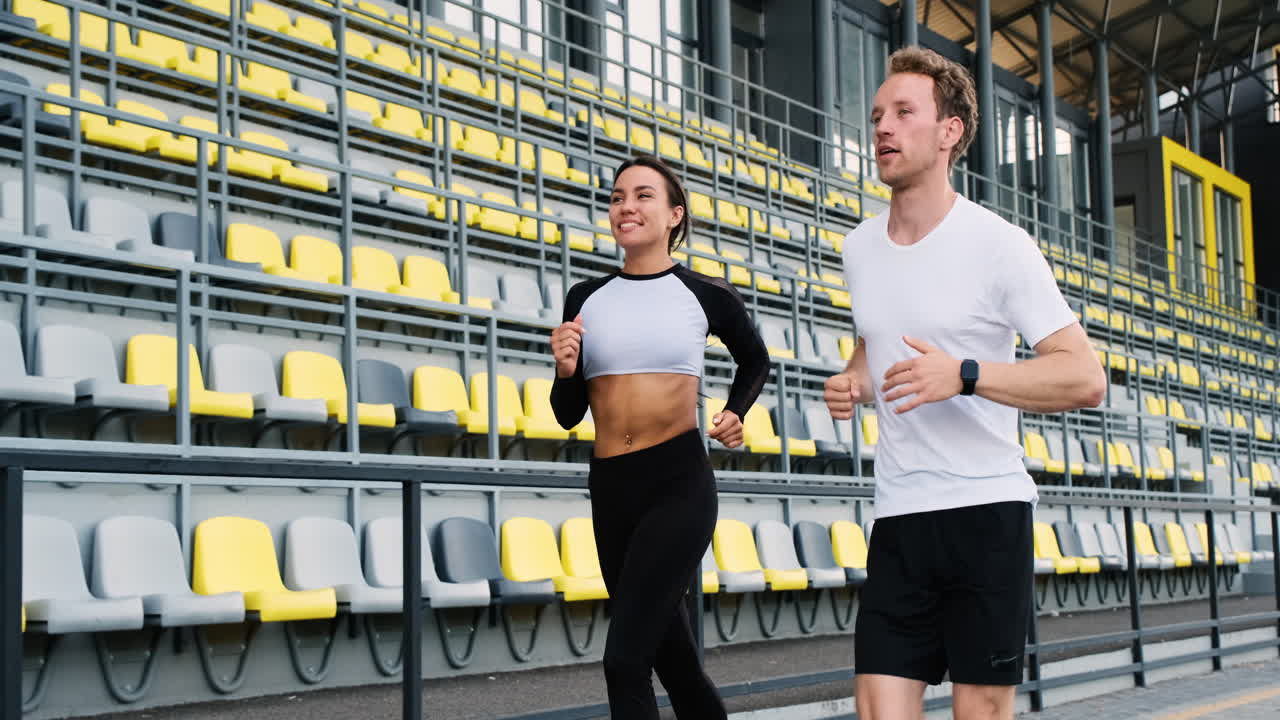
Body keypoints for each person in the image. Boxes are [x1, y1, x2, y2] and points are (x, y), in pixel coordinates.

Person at [824, 47, 1107, 720]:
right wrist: (855, 380)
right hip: (898, 516)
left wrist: (966, 375)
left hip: (987, 515)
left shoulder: (998, 245)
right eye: (875, 116)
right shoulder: (858, 249)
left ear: (949, 132)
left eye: (902, 112)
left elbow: (1085, 377)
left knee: (980, 713)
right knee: (876, 709)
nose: (882, 129)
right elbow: (876, 338)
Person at [548, 154, 770, 719]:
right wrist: (565, 370)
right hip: (612, 489)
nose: (627, 206)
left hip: (677, 485)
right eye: (618, 196)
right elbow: (568, 415)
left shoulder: (704, 294)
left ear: (675, 214)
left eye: (643, 196)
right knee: (673, 662)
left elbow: (755, 360)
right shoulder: (585, 297)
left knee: (624, 661)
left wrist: (734, 411)